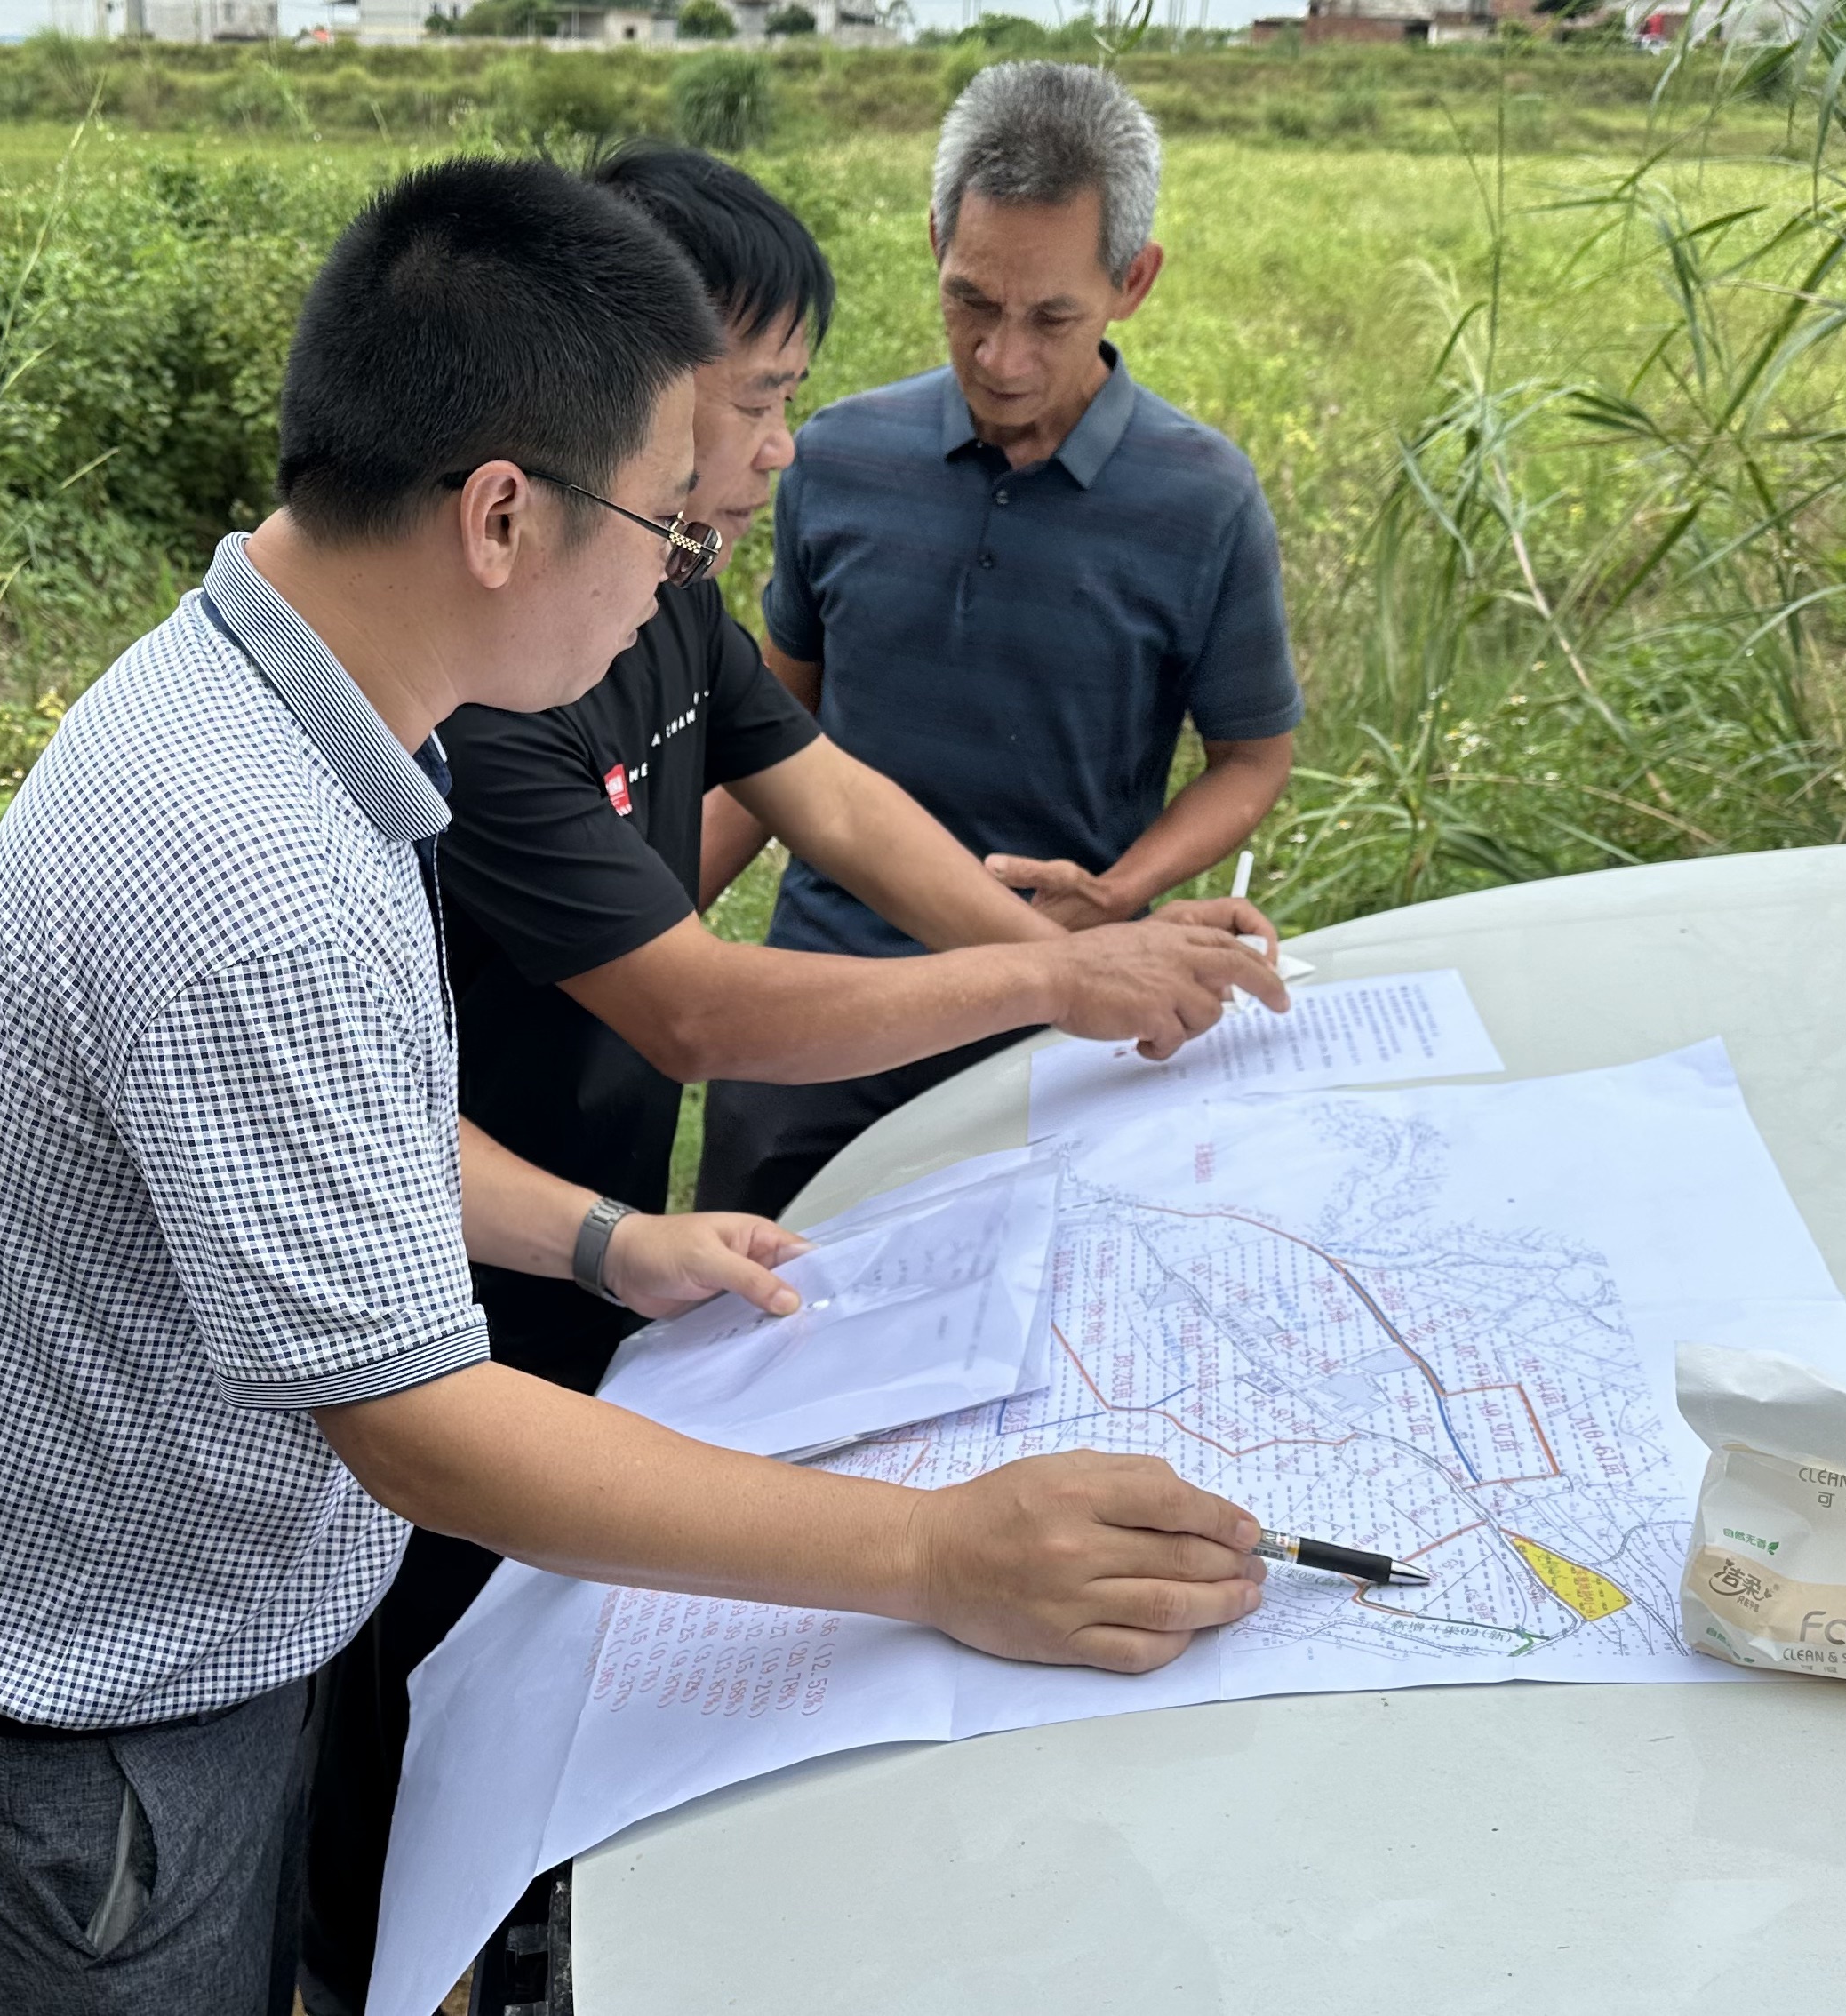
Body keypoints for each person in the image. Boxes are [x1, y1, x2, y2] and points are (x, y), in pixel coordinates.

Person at [0, 157, 1273, 2016]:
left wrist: (599, 1239)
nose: (683, 572)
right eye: (667, 526)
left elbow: (337, 1125)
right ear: (501, 515)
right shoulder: (257, 866)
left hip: (202, 1613)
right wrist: (936, 1553)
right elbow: (419, 1428)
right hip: (95, 1696)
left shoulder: (295, 710)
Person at [294, 142, 1291, 2013]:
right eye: (746, 408)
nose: (772, 455)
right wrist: (1054, 976)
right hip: (428, 1251)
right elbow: (695, 1011)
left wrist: (1069, 971)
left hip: (565, 1211)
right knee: (410, 1640)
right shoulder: (479, 683)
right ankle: (387, 1953)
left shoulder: (655, 592)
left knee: (541, 1622)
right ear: (616, 402)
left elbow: (823, 790)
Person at [696, 60, 1306, 1220]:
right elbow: (773, 728)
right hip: (823, 1012)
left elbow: (1251, 759)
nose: (1001, 358)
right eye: (971, 302)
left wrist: (1115, 894)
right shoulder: (834, 459)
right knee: (743, 1292)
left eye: (1051, 318)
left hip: (1061, 1020)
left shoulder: (1204, 501)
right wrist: (635, 937)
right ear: (936, 243)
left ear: (1133, 281)